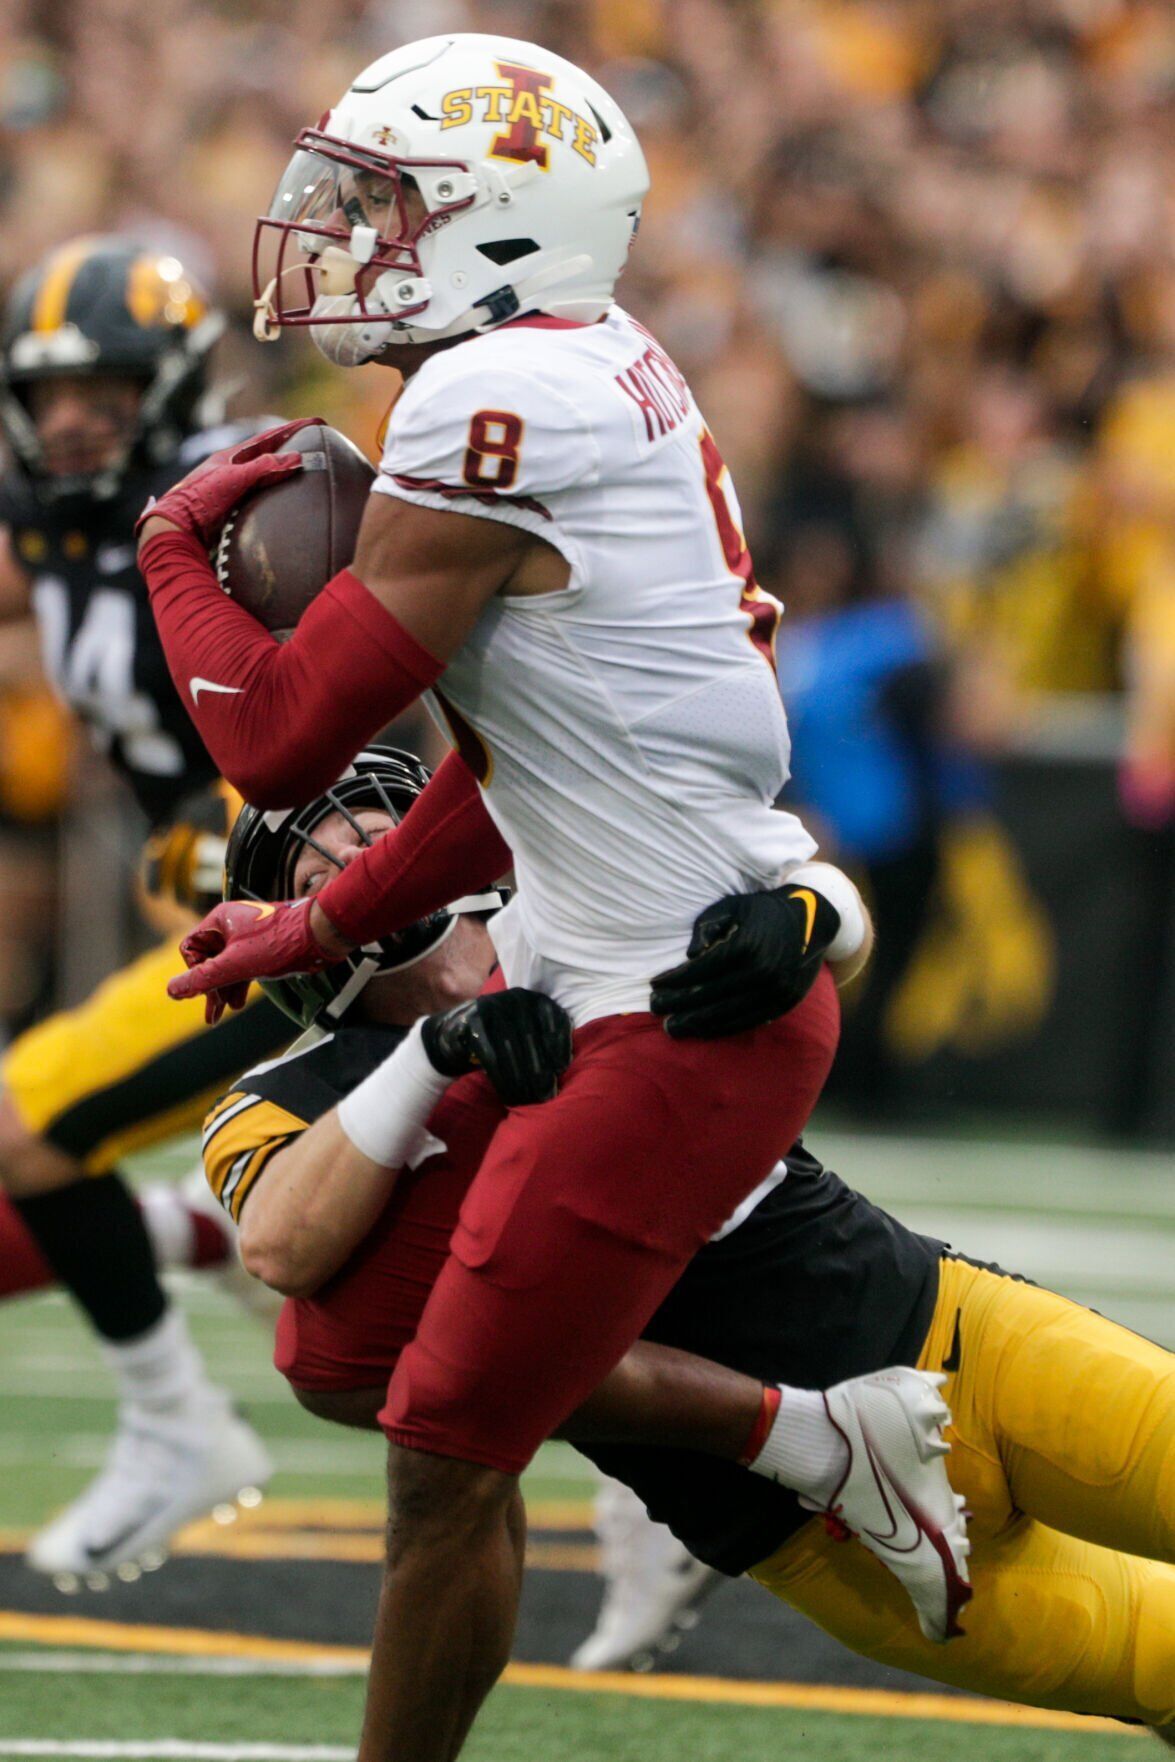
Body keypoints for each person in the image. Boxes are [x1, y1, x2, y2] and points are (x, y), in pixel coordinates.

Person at [136, 36, 965, 1758]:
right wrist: (315, 928)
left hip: (679, 1014)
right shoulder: (577, 364)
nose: (342, 236)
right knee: (340, 1346)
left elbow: (281, 740)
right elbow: (506, 780)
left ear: (505, 228)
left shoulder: (493, 405)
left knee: (445, 1456)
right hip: (610, 967)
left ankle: (819, 1438)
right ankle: (805, 1438)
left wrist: (169, 554)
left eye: (384, 206)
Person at [203, 747, 1175, 1738]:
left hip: (940, 1325)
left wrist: (812, 913)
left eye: (371, 833)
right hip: (804, 1521)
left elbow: (809, 891)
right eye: (315, 871)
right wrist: (434, 1055)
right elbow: (286, 1248)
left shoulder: (575, 911)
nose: (353, 860)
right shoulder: (287, 1099)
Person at [0, 236, 295, 1581]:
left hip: (328, 906)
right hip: (234, 902)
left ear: (167, 390)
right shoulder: (48, 512)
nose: (70, 420)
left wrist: (235, 841)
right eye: (49, 393)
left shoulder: (264, 505)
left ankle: (179, 1414)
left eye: (104, 393)